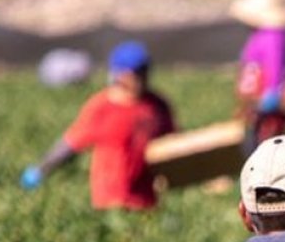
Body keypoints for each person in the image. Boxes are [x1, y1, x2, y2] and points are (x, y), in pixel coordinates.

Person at [20, 40, 175, 209]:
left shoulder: (158, 106)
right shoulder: (102, 107)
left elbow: (173, 144)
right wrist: (41, 170)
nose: (142, 78)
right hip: (110, 200)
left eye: (145, 71)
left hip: (147, 201)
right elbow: (70, 145)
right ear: (120, 75)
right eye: (136, 73)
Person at [230, 0, 285, 154]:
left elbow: (275, 64)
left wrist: (272, 92)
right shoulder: (262, 34)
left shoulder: (273, 36)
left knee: (264, 144)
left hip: (267, 101)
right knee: (252, 140)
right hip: (256, 100)